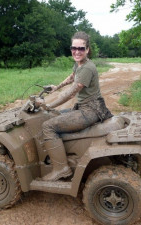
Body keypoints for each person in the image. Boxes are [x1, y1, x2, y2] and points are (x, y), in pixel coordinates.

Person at [41, 31, 112, 181]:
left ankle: (61, 168)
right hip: (86, 107)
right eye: (74, 48)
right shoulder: (80, 64)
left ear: (87, 50)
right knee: (55, 115)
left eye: (81, 48)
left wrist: (48, 105)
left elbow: (71, 92)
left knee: (48, 126)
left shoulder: (87, 68)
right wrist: (56, 87)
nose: (77, 51)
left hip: (90, 110)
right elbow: (72, 77)